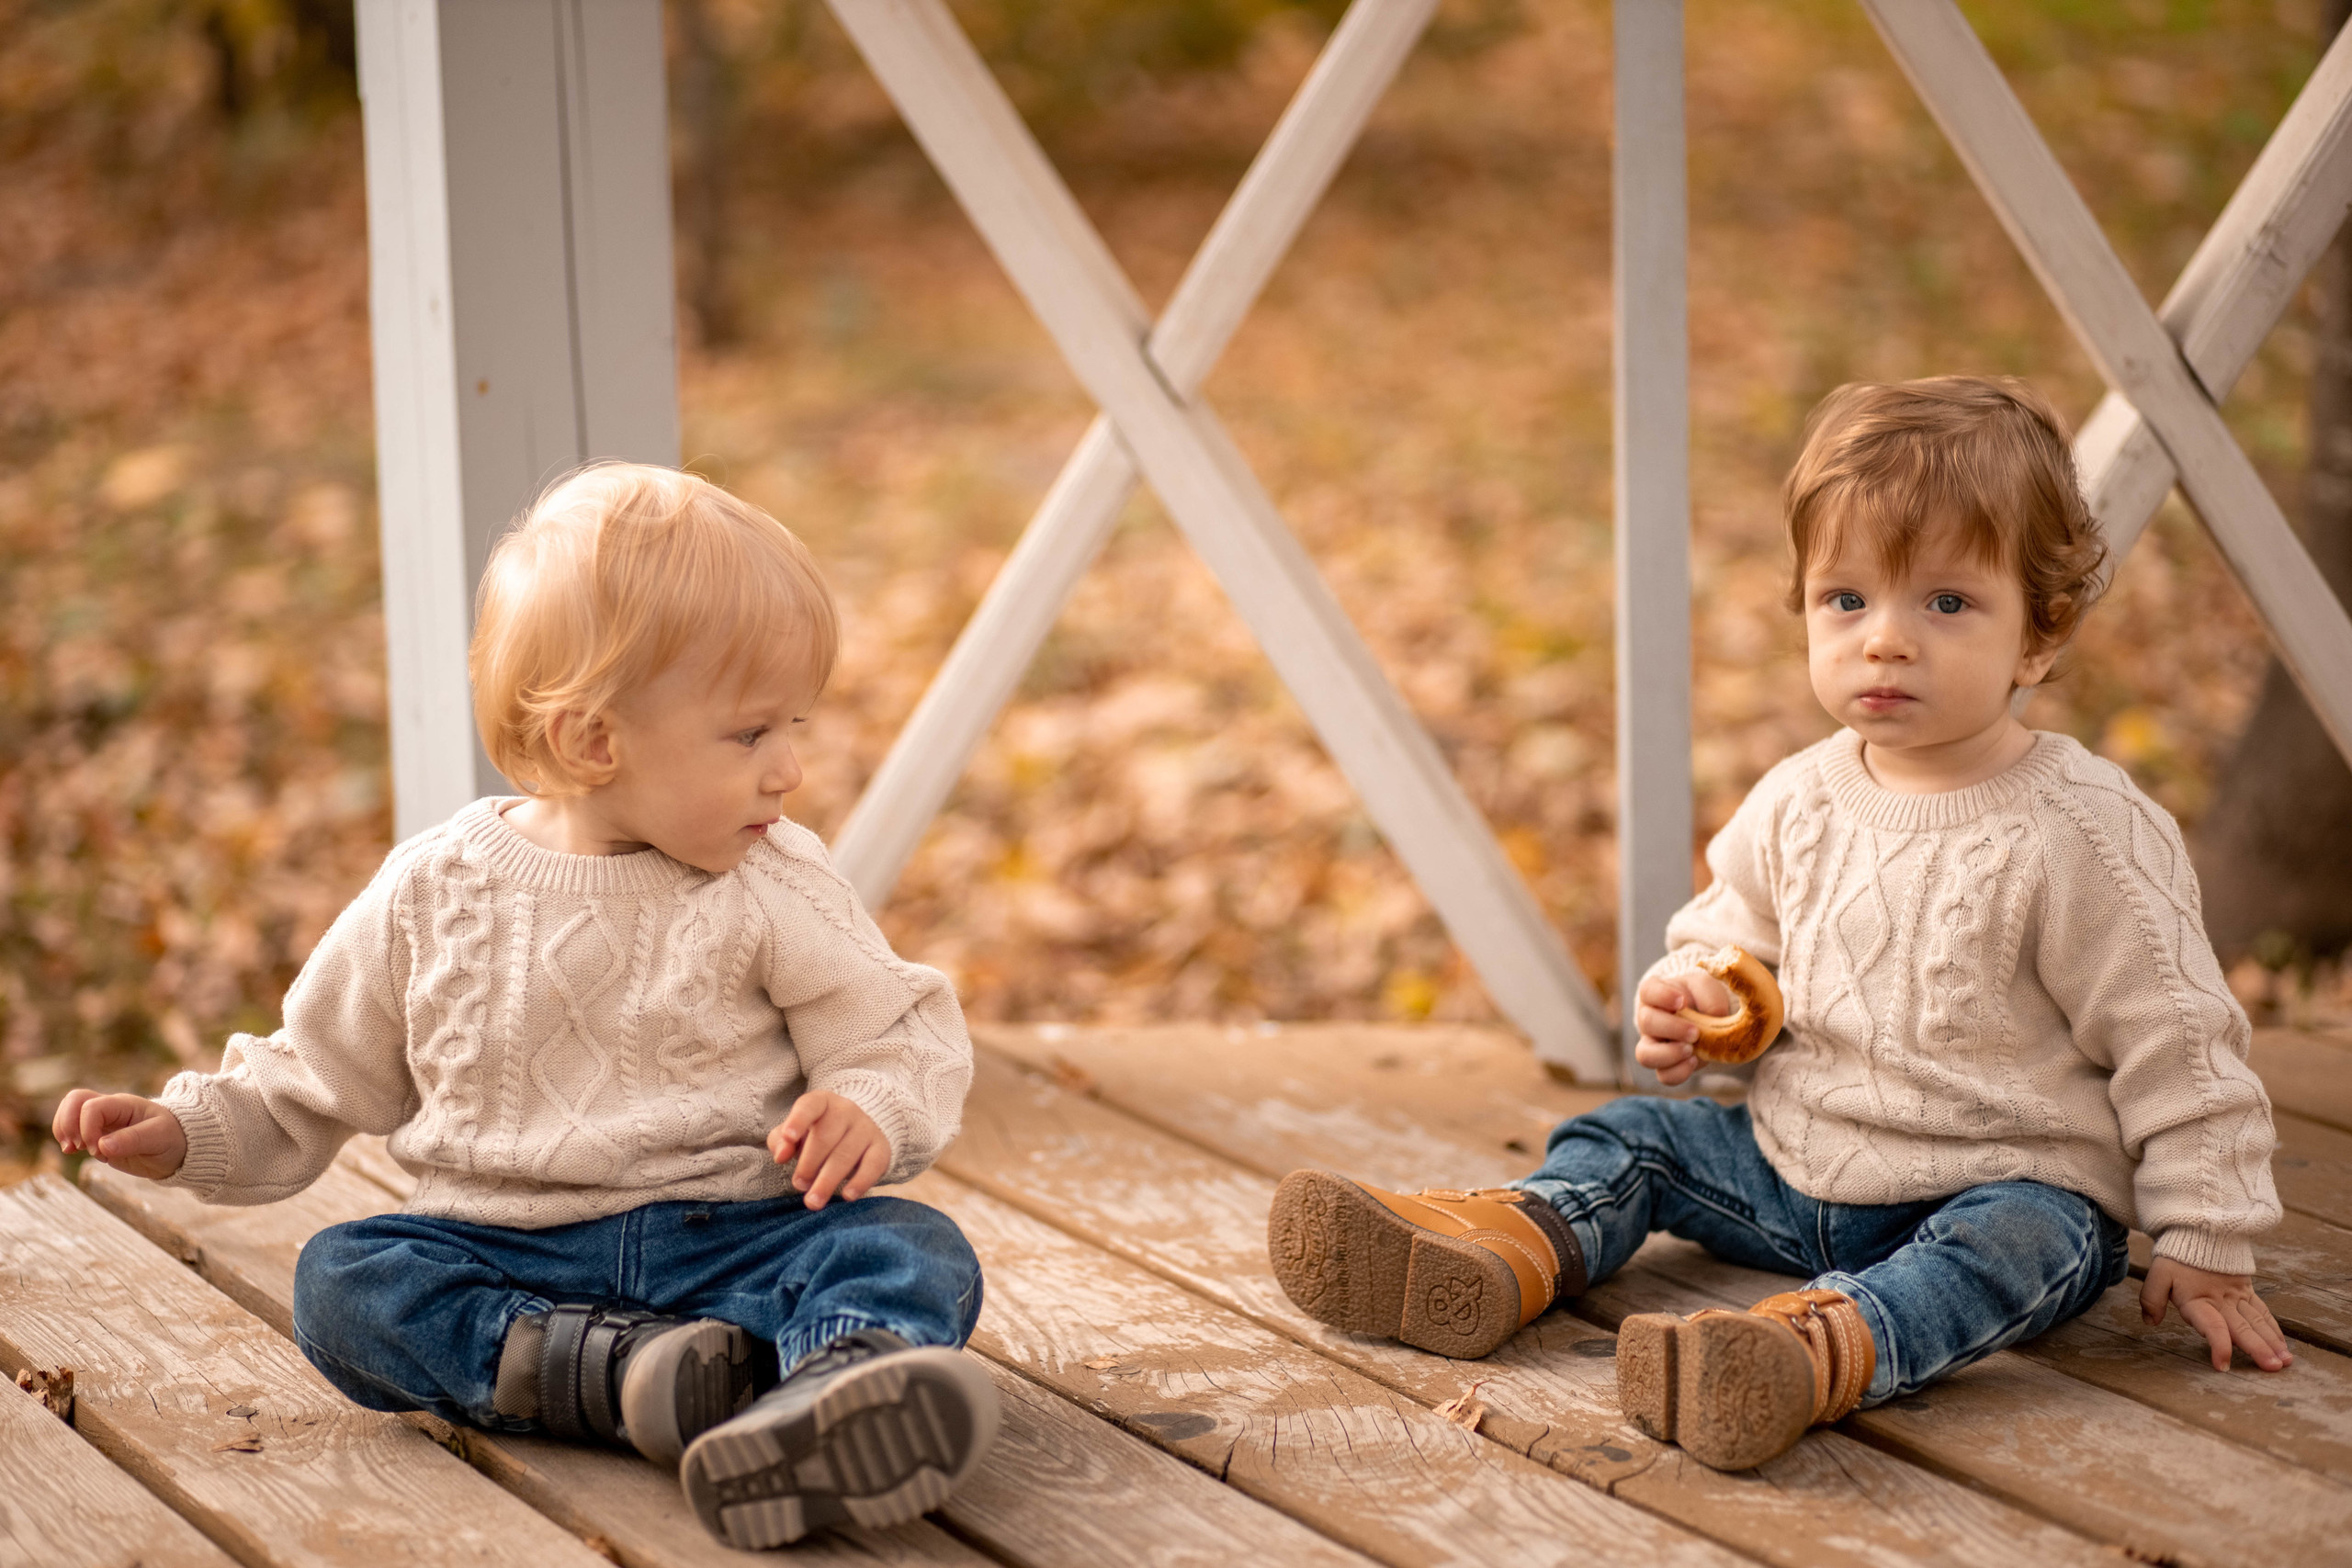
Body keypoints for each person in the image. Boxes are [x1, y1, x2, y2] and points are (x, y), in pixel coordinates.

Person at [1266, 376, 2291, 1472]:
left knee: (2032, 1240)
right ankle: (1503, 1249)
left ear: (2038, 636)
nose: (1884, 640)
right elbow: (1733, 946)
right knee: (1635, 1138)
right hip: (1786, 1165)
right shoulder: (1798, 799)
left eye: (1945, 603)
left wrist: (2206, 1237)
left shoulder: (2080, 832)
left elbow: (2177, 1041)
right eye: (1846, 600)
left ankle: (1812, 1352)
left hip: (1989, 1179)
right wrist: (1700, 1000)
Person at [54, 463, 998, 1548]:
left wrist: (869, 1102)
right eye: (749, 735)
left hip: (737, 1241)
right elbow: (312, 1071)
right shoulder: (436, 889)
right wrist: (189, 1130)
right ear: (594, 741)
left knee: (906, 1245)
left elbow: (895, 1031)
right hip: (509, 1256)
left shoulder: (772, 881)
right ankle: (630, 1377)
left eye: (793, 725)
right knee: (346, 1283)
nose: (790, 767)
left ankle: (836, 1388)